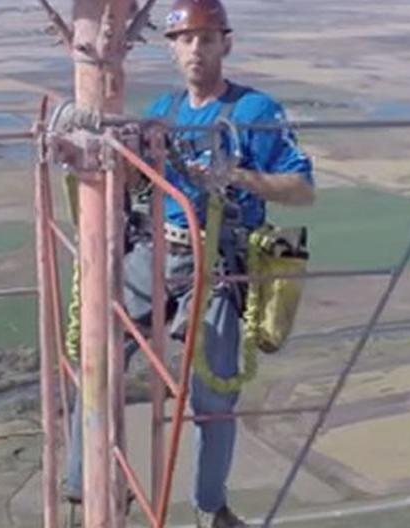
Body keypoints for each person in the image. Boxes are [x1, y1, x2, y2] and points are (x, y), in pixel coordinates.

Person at [64, 0, 315, 526]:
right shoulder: (165, 111)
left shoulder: (256, 112)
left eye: (206, 39)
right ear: (172, 49)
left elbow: (301, 188)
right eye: (185, 40)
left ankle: (209, 508)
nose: (196, 50)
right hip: (159, 249)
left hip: (219, 262)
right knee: (95, 350)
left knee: (213, 394)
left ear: (226, 43)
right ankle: (82, 482)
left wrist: (239, 178)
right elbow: (137, 181)